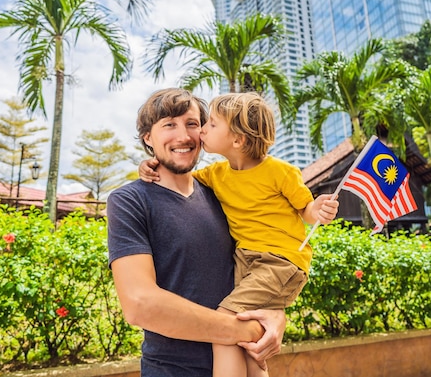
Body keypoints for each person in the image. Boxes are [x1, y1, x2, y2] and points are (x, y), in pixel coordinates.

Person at [139, 92, 339, 377]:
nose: (202, 131)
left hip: (279, 262)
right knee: (246, 335)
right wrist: (149, 164)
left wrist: (317, 209)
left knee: (226, 322)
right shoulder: (216, 175)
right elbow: (179, 176)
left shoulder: (281, 172)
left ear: (237, 140)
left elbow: (305, 209)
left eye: (211, 125)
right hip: (246, 261)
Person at [107, 88, 286, 377]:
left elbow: (262, 260)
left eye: (192, 124)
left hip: (243, 365)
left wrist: (276, 316)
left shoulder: (222, 192)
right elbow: (139, 303)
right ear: (148, 138)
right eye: (169, 125)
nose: (183, 136)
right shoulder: (129, 201)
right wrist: (242, 329)